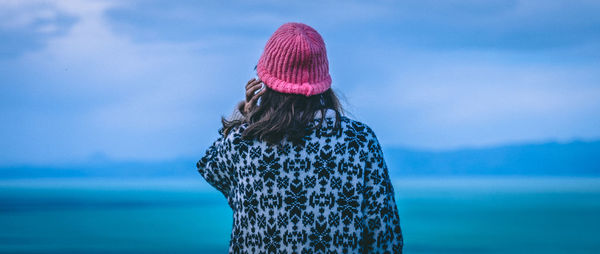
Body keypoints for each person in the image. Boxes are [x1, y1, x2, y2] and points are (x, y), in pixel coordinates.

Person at [196, 22, 403, 253]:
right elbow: (385, 238)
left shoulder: (243, 143)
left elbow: (210, 166)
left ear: (265, 83)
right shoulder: (360, 142)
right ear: (323, 82)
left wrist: (246, 116)